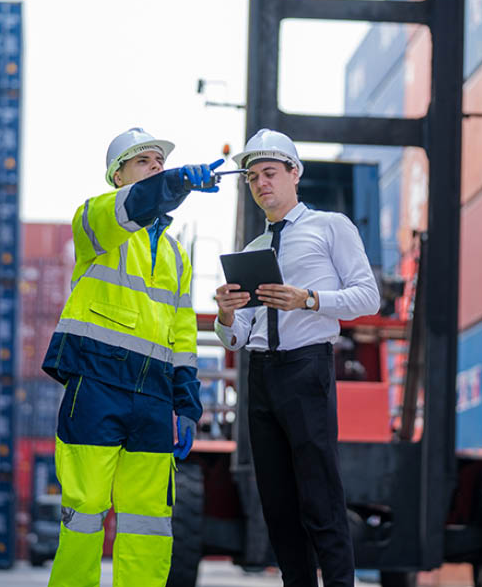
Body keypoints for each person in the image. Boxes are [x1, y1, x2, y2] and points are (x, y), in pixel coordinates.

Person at [42, 127, 222, 587]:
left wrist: (186, 406)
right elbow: (132, 208)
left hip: (156, 400)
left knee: (149, 523)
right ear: (117, 176)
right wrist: (176, 183)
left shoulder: (177, 258)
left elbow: (183, 336)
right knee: (84, 513)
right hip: (97, 385)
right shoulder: (96, 223)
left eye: (159, 163)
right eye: (144, 162)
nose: (156, 167)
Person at [214, 129, 380, 587]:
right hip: (261, 375)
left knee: (320, 498)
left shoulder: (331, 227)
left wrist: (307, 300)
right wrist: (227, 316)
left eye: (270, 173)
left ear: (295, 174)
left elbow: (369, 297)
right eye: (252, 178)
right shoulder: (250, 252)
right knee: (279, 506)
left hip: (307, 368)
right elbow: (239, 337)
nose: (261, 184)